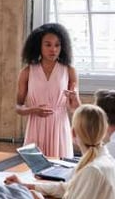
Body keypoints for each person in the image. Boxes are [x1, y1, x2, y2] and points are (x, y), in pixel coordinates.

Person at [15, 23, 81, 158]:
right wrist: (32, 110)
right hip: (35, 126)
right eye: (48, 45)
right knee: (33, 170)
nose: (53, 49)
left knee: (61, 171)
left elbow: (76, 108)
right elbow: (18, 107)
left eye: (57, 45)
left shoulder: (69, 71)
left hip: (59, 126)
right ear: (38, 46)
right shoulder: (27, 72)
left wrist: (75, 99)